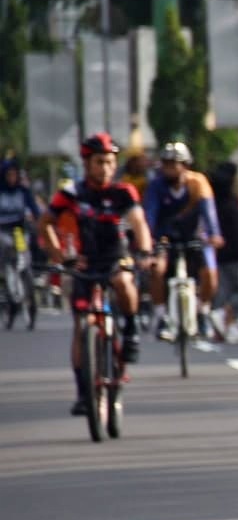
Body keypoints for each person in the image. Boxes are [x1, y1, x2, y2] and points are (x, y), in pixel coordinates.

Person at [38, 134, 154, 411]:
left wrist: (146, 252)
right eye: (99, 162)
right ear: (87, 163)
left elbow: (139, 223)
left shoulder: (123, 192)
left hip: (116, 257)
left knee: (124, 281)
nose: (105, 168)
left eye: (111, 162)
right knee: (81, 326)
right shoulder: (72, 193)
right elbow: (46, 223)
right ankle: (83, 392)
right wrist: (61, 257)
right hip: (85, 262)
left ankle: (131, 330)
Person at [144, 141, 222, 341]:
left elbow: (209, 211)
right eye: (166, 164)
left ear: (185, 165)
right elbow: (150, 215)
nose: (170, 168)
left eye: (175, 163)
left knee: (210, 274)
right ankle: (161, 314)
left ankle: (203, 310)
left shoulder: (198, 183)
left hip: (195, 235)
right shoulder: (156, 186)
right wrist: (149, 240)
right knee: (157, 269)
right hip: (165, 237)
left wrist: (214, 234)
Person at [210, 162, 238, 344]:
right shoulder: (230, 203)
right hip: (234, 254)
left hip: (218, 253)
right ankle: (227, 319)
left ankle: (226, 325)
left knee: (224, 291)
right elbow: (236, 232)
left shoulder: (213, 201)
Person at [0, 158, 42, 328]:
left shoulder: (23, 191)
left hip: (19, 231)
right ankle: (7, 286)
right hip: (2, 231)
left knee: (25, 259)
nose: (12, 178)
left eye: (14, 175)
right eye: (9, 175)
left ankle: (29, 295)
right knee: (5, 252)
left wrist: (39, 223)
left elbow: (35, 209)